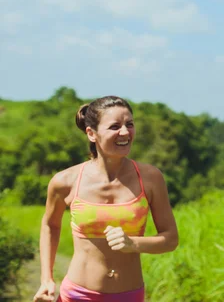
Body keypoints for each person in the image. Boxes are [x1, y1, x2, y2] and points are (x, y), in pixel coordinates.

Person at [33, 96, 179, 302]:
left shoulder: (150, 178)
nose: (125, 132)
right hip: (77, 295)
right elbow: (50, 225)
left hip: (129, 295)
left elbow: (171, 239)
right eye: (114, 126)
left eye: (130, 124)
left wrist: (133, 243)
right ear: (91, 133)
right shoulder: (65, 181)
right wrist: (46, 279)